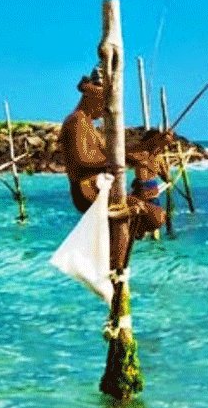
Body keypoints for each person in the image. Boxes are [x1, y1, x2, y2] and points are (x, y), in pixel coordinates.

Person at [59, 70, 168, 267]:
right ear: (92, 97)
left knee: (154, 214)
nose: (105, 110)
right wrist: (122, 160)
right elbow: (82, 162)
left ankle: (116, 258)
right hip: (89, 193)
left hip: (101, 191)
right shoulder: (76, 121)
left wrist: (146, 148)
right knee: (153, 215)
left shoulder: (89, 125)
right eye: (104, 104)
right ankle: (115, 265)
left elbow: (112, 153)